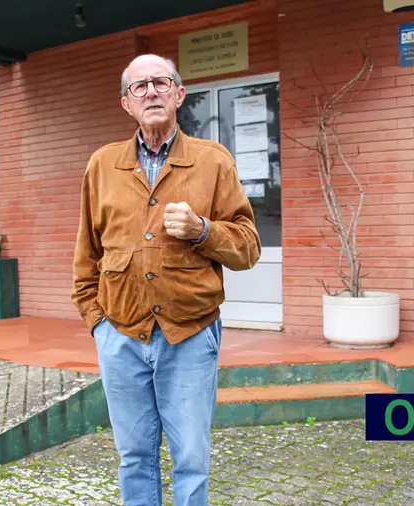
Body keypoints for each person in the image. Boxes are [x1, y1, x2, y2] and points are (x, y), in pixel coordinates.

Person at [71, 53, 262, 506]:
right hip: (120, 333)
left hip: (190, 335)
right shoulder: (102, 165)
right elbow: (87, 255)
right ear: (126, 103)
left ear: (179, 94)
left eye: (161, 82)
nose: (151, 91)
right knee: (134, 456)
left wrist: (204, 230)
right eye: (140, 86)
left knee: (191, 457)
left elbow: (249, 245)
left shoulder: (212, 161)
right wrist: (97, 324)